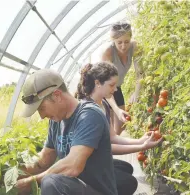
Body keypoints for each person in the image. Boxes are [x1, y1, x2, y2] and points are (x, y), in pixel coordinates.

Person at [15, 69, 117, 195]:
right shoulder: (56, 121)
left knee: (51, 182)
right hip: (75, 189)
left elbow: (73, 165)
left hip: (97, 191)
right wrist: (14, 172)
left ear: (57, 95)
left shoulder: (89, 115)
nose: (41, 116)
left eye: (41, 108)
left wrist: (31, 182)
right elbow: (44, 160)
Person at [75, 62, 163, 195]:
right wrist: (141, 146)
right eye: (111, 85)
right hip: (87, 166)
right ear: (98, 83)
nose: (115, 89)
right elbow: (106, 148)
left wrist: (140, 140)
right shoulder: (89, 112)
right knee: (129, 183)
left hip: (97, 159)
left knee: (126, 168)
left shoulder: (103, 104)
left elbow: (112, 137)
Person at [101, 21, 143, 135]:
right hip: (102, 90)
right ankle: (105, 150)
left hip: (116, 87)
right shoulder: (108, 53)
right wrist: (116, 109)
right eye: (119, 42)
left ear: (131, 38)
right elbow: (106, 85)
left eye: (126, 42)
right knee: (107, 130)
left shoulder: (135, 47)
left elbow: (140, 74)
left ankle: (111, 148)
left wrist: (136, 93)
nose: (123, 46)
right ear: (113, 41)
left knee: (120, 127)